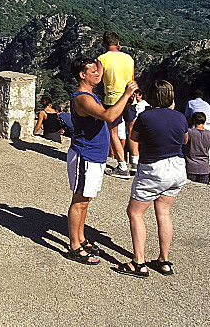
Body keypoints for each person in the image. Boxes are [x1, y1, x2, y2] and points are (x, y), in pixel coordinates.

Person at [64, 56, 137, 265]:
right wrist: (126, 94)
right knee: (79, 201)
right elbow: (109, 115)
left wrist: (106, 61)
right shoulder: (82, 99)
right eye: (93, 72)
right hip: (85, 154)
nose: (98, 74)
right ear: (82, 75)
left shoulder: (91, 93)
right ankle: (74, 247)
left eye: (98, 71)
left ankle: (80, 237)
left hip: (94, 155)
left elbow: (101, 71)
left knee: (86, 200)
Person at [112, 80, 188, 277]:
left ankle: (139, 262)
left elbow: (134, 138)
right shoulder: (180, 117)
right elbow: (185, 140)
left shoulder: (146, 117)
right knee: (163, 212)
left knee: (135, 213)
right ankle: (164, 261)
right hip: (177, 167)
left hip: (154, 167)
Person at [98, 31, 135, 179]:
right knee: (131, 129)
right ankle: (136, 163)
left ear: (104, 44)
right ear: (118, 43)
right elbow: (132, 79)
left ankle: (122, 166)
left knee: (113, 133)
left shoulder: (102, 59)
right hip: (130, 98)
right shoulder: (128, 58)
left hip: (113, 100)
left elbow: (98, 79)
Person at [183, 112, 210, 184]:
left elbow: (184, 143)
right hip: (205, 167)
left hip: (191, 166)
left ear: (193, 120)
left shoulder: (189, 132)